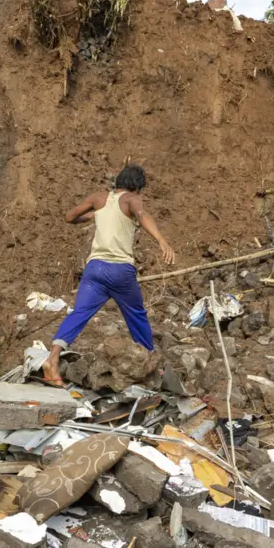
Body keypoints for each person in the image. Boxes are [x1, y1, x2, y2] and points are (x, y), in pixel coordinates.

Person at [42, 164, 175, 386]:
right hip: (119, 270)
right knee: (136, 314)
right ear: (136, 187)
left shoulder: (98, 198)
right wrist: (162, 241)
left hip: (94, 270)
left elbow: (69, 216)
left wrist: (92, 217)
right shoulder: (131, 199)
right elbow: (143, 217)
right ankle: (152, 364)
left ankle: (52, 358)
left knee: (79, 313)